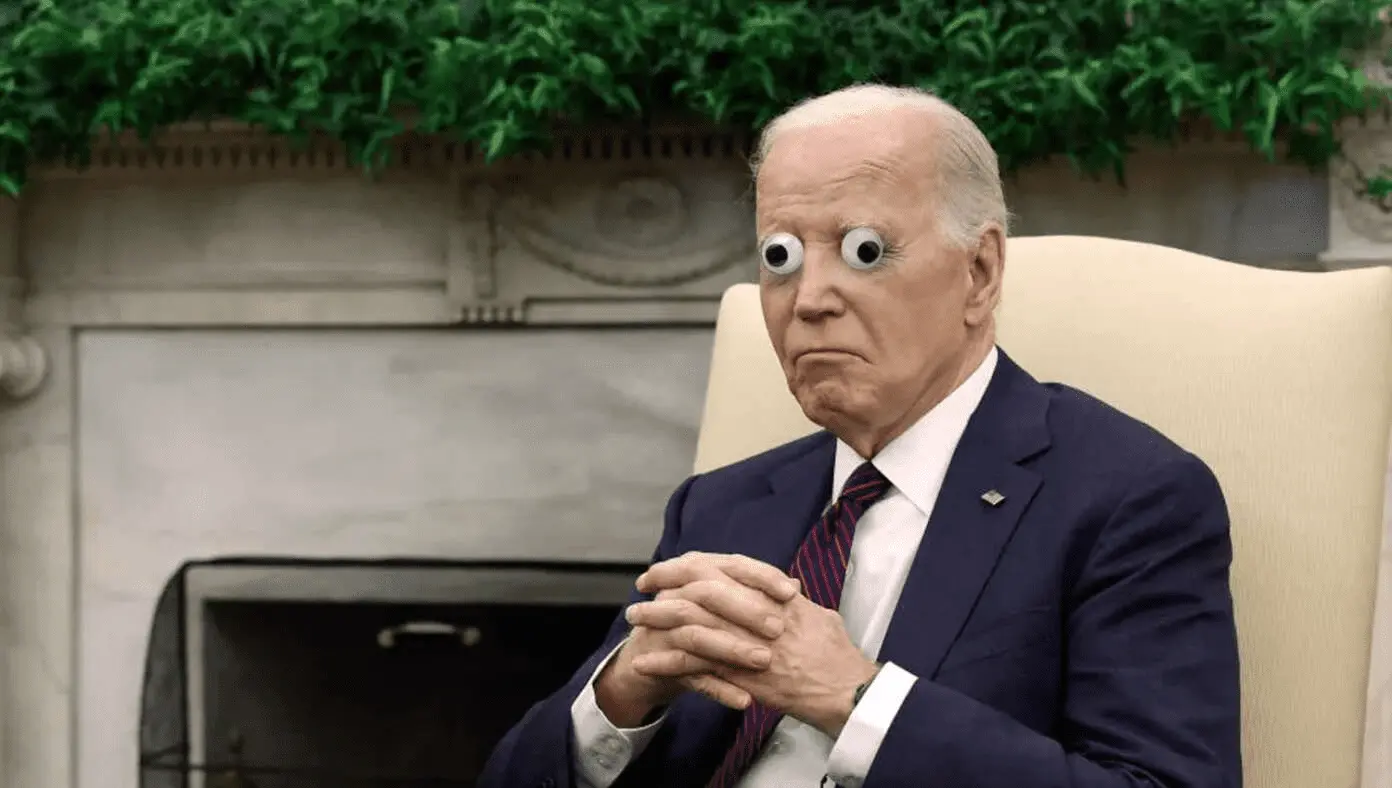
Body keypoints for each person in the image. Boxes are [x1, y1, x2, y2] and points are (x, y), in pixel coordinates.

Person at [479, 84, 1242, 788]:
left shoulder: (1127, 498)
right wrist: (620, 693)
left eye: (864, 250)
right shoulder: (720, 506)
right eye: (779, 257)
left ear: (979, 273)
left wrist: (854, 698)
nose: (809, 299)